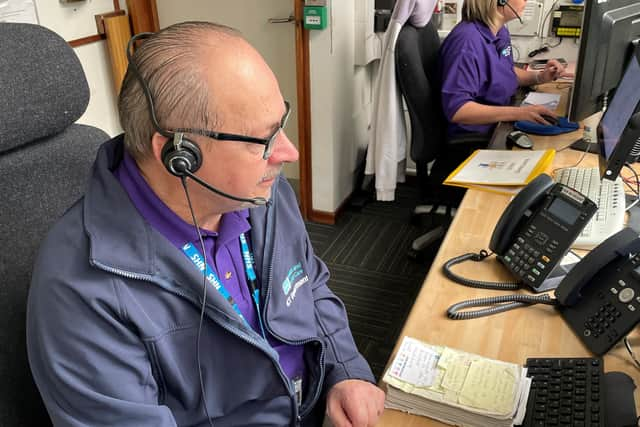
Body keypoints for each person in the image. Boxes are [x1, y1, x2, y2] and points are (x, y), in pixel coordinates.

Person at [26, 21, 385, 427]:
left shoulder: (260, 191)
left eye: (280, 124)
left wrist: (346, 370)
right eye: (261, 140)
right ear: (180, 157)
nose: (289, 153)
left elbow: (310, 285)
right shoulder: (79, 289)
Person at [439, 0, 570, 138]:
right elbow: (457, 110)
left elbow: (504, 71)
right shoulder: (466, 43)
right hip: (475, 138)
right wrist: (518, 113)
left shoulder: (500, 32)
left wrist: (540, 77)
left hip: (499, 124)